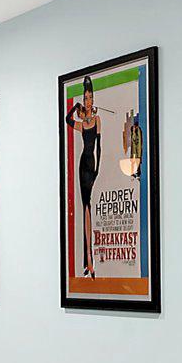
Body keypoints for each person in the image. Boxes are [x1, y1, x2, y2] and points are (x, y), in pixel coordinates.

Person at [65, 79, 101, 277]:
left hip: (91, 165)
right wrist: (75, 107)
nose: (88, 101)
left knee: (88, 208)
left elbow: (100, 148)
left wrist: (97, 170)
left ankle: (89, 260)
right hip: (81, 166)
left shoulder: (97, 121)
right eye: (85, 98)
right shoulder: (82, 123)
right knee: (85, 208)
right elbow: (67, 119)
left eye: (90, 98)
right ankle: (88, 259)